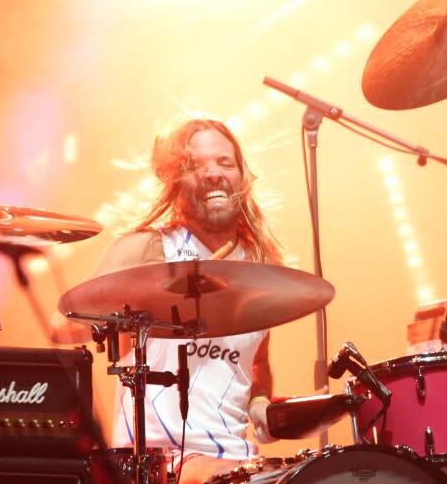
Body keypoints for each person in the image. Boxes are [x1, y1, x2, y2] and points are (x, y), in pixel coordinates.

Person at [50, 117, 285, 484]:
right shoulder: (148, 249)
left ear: (242, 176)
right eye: (196, 165)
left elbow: (259, 362)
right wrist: (125, 320)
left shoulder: (259, 263)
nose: (213, 174)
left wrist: (260, 403)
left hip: (237, 461)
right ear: (176, 179)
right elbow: (62, 326)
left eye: (225, 162)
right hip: (158, 462)